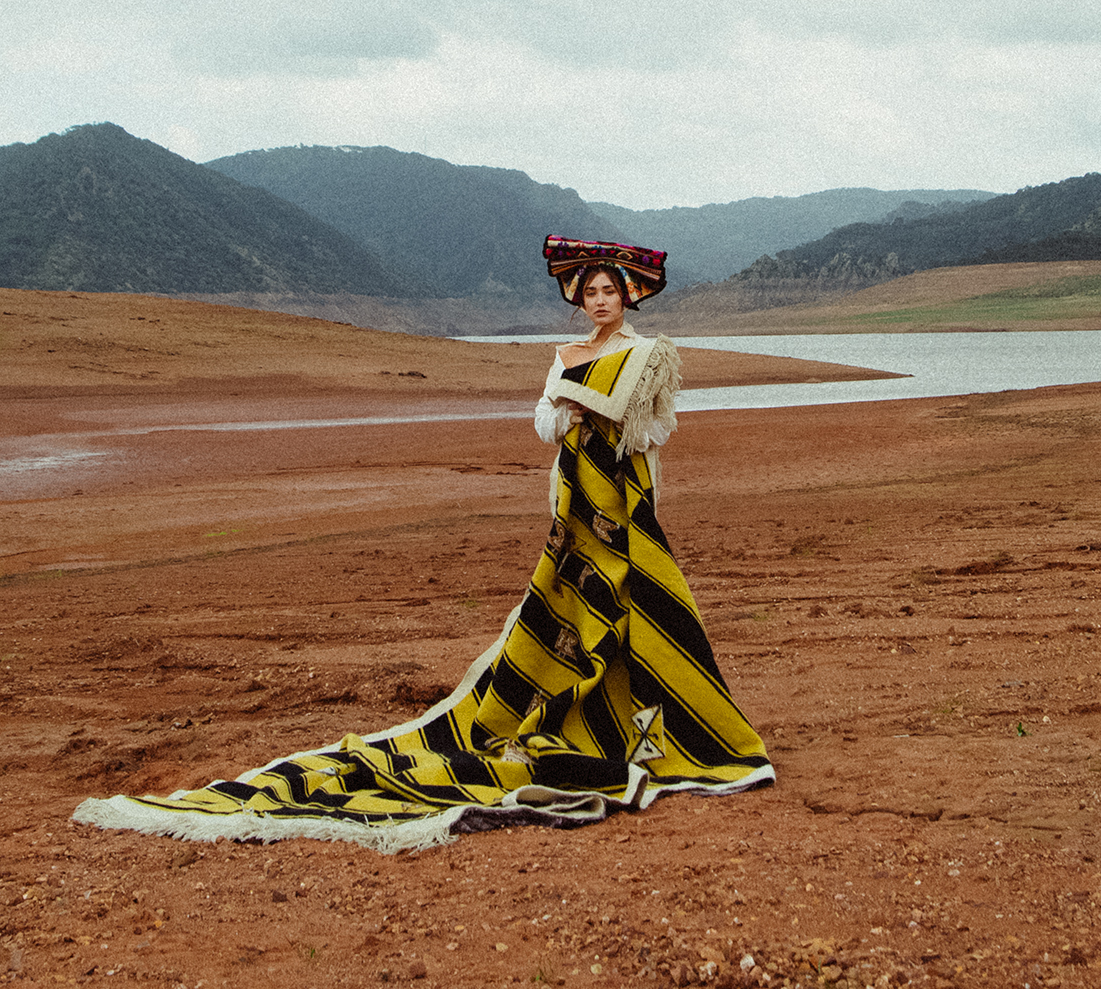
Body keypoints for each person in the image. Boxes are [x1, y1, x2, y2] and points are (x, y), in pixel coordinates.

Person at [73, 236, 772, 853]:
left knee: (639, 604)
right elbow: (541, 425)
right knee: (566, 610)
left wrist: (602, 417)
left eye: (608, 292)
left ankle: (659, 726)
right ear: (576, 299)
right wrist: (566, 411)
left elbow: (654, 430)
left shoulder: (645, 356)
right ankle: (582, 716)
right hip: (573, 504)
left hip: (620, 503)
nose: (599, 301)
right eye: (589, 292)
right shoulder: (564, 356)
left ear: (627, 297)